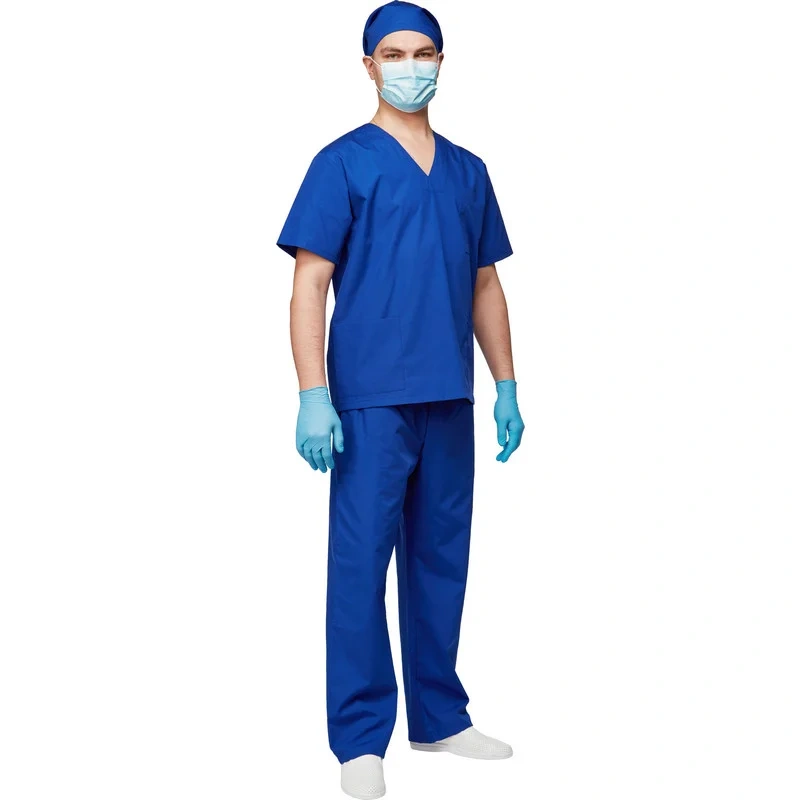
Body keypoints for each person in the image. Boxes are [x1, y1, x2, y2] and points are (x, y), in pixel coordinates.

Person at [277, 2, 524, 797]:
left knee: (440, 559)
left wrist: (507, 382)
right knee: (360, 568)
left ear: (442, 63)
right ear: (368, 66)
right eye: (394, 53)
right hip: (370, 400)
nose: (410, 65)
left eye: (424, 53)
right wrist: (313, 393)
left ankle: (440, 717)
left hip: (448, 394)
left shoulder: (468, 171)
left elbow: (485, 284)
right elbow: (309, 284)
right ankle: (359, 739)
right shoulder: (342, 163)